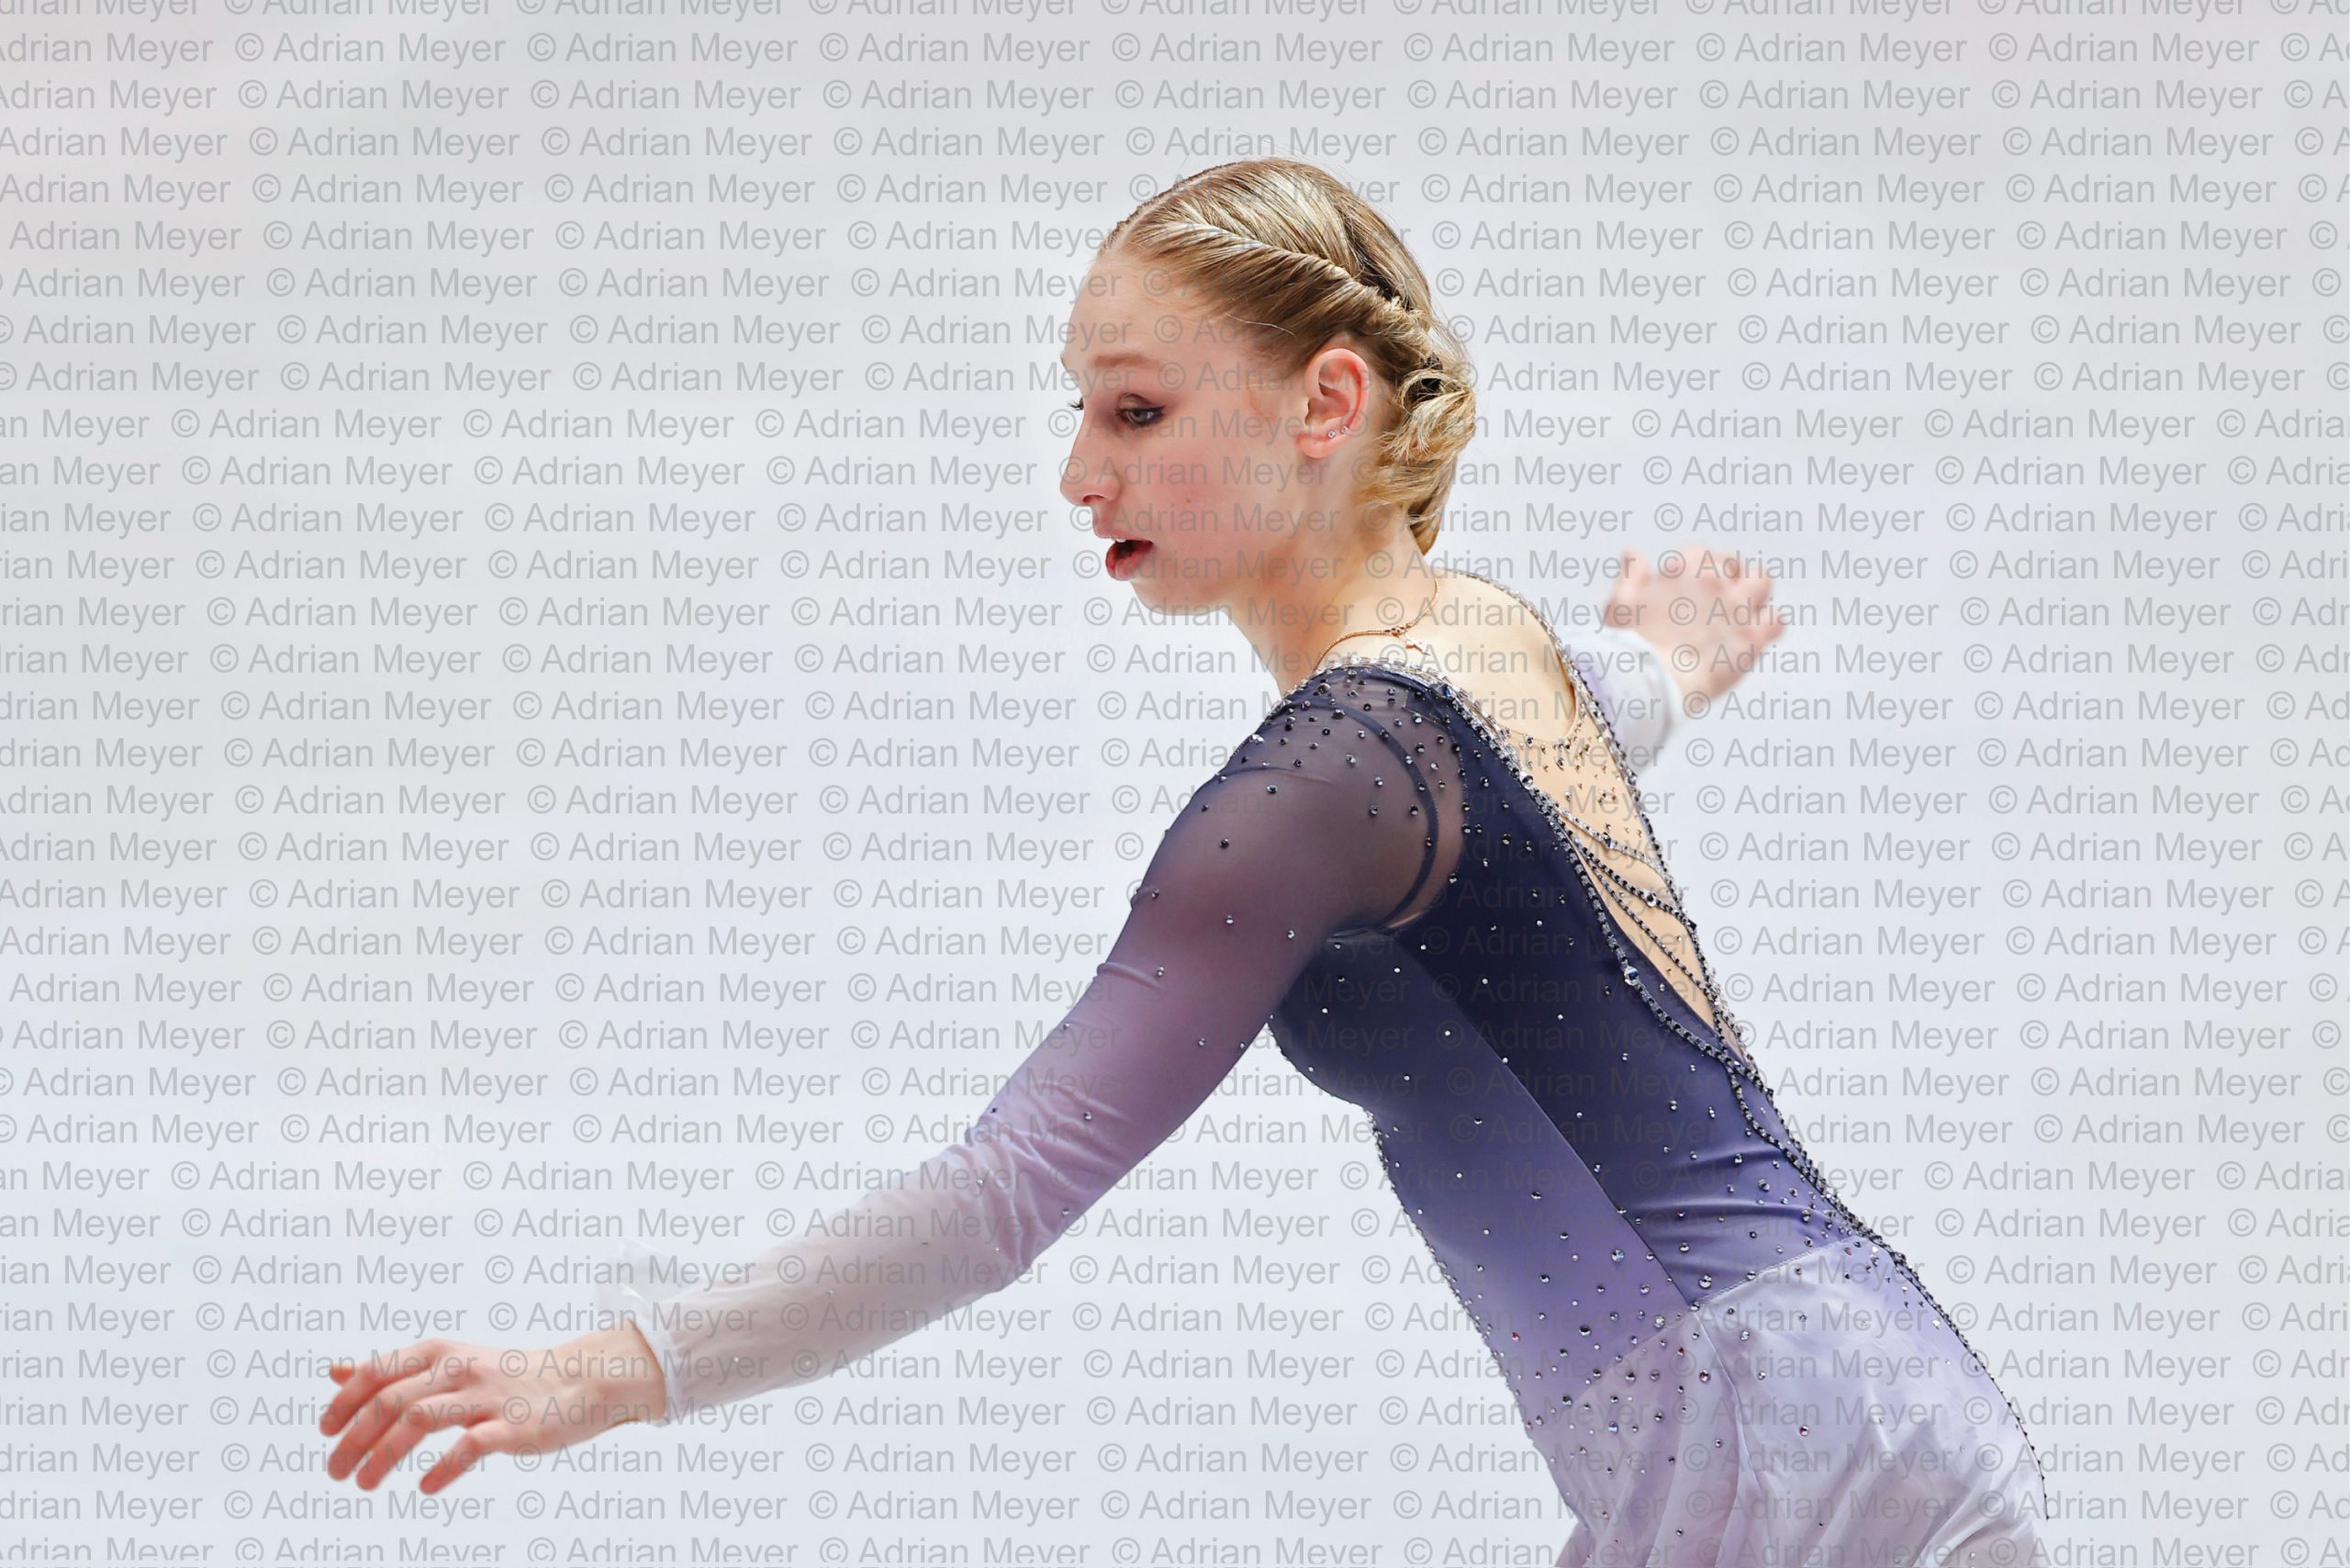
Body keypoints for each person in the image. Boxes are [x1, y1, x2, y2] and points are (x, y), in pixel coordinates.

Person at [320, 159, 2048, 1566]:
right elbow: (1579, 739)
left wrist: (608, 1373)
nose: (1082, 473)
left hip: (1757, 1444)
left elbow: (1005, 1193)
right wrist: (1675, 659)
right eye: (1081, 412)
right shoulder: (1485, 645)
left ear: (1328, 401)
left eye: (1137, 412)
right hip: (1856, 1389)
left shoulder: (1323, 779)